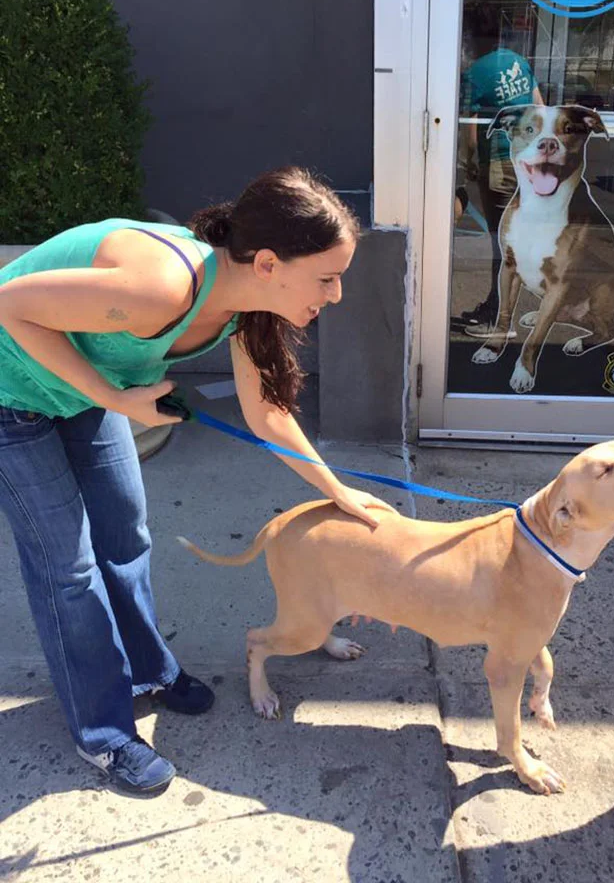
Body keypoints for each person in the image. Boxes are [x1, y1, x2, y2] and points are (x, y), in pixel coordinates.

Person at [0, 166, 395, 796]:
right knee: (68, 570)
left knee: (126, 537)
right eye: (327, 277)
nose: (337, 294)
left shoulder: (242, 305)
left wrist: (336, 491)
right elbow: (9, 305)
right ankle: (102, 733)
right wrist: (115, 397)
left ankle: (146, 672)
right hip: (10, 395)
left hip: (76, 392)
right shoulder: (159, 288)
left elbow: (266, 413)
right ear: (268, 262)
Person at [456, 31, 544, 335]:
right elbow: (540, 107)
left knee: (502, 242)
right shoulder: (519, 62)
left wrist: (469, 163)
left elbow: (470, 124)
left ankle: (499, 319)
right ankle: (496, 306)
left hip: (499, 165)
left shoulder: (475, 73)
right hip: (527, 163)